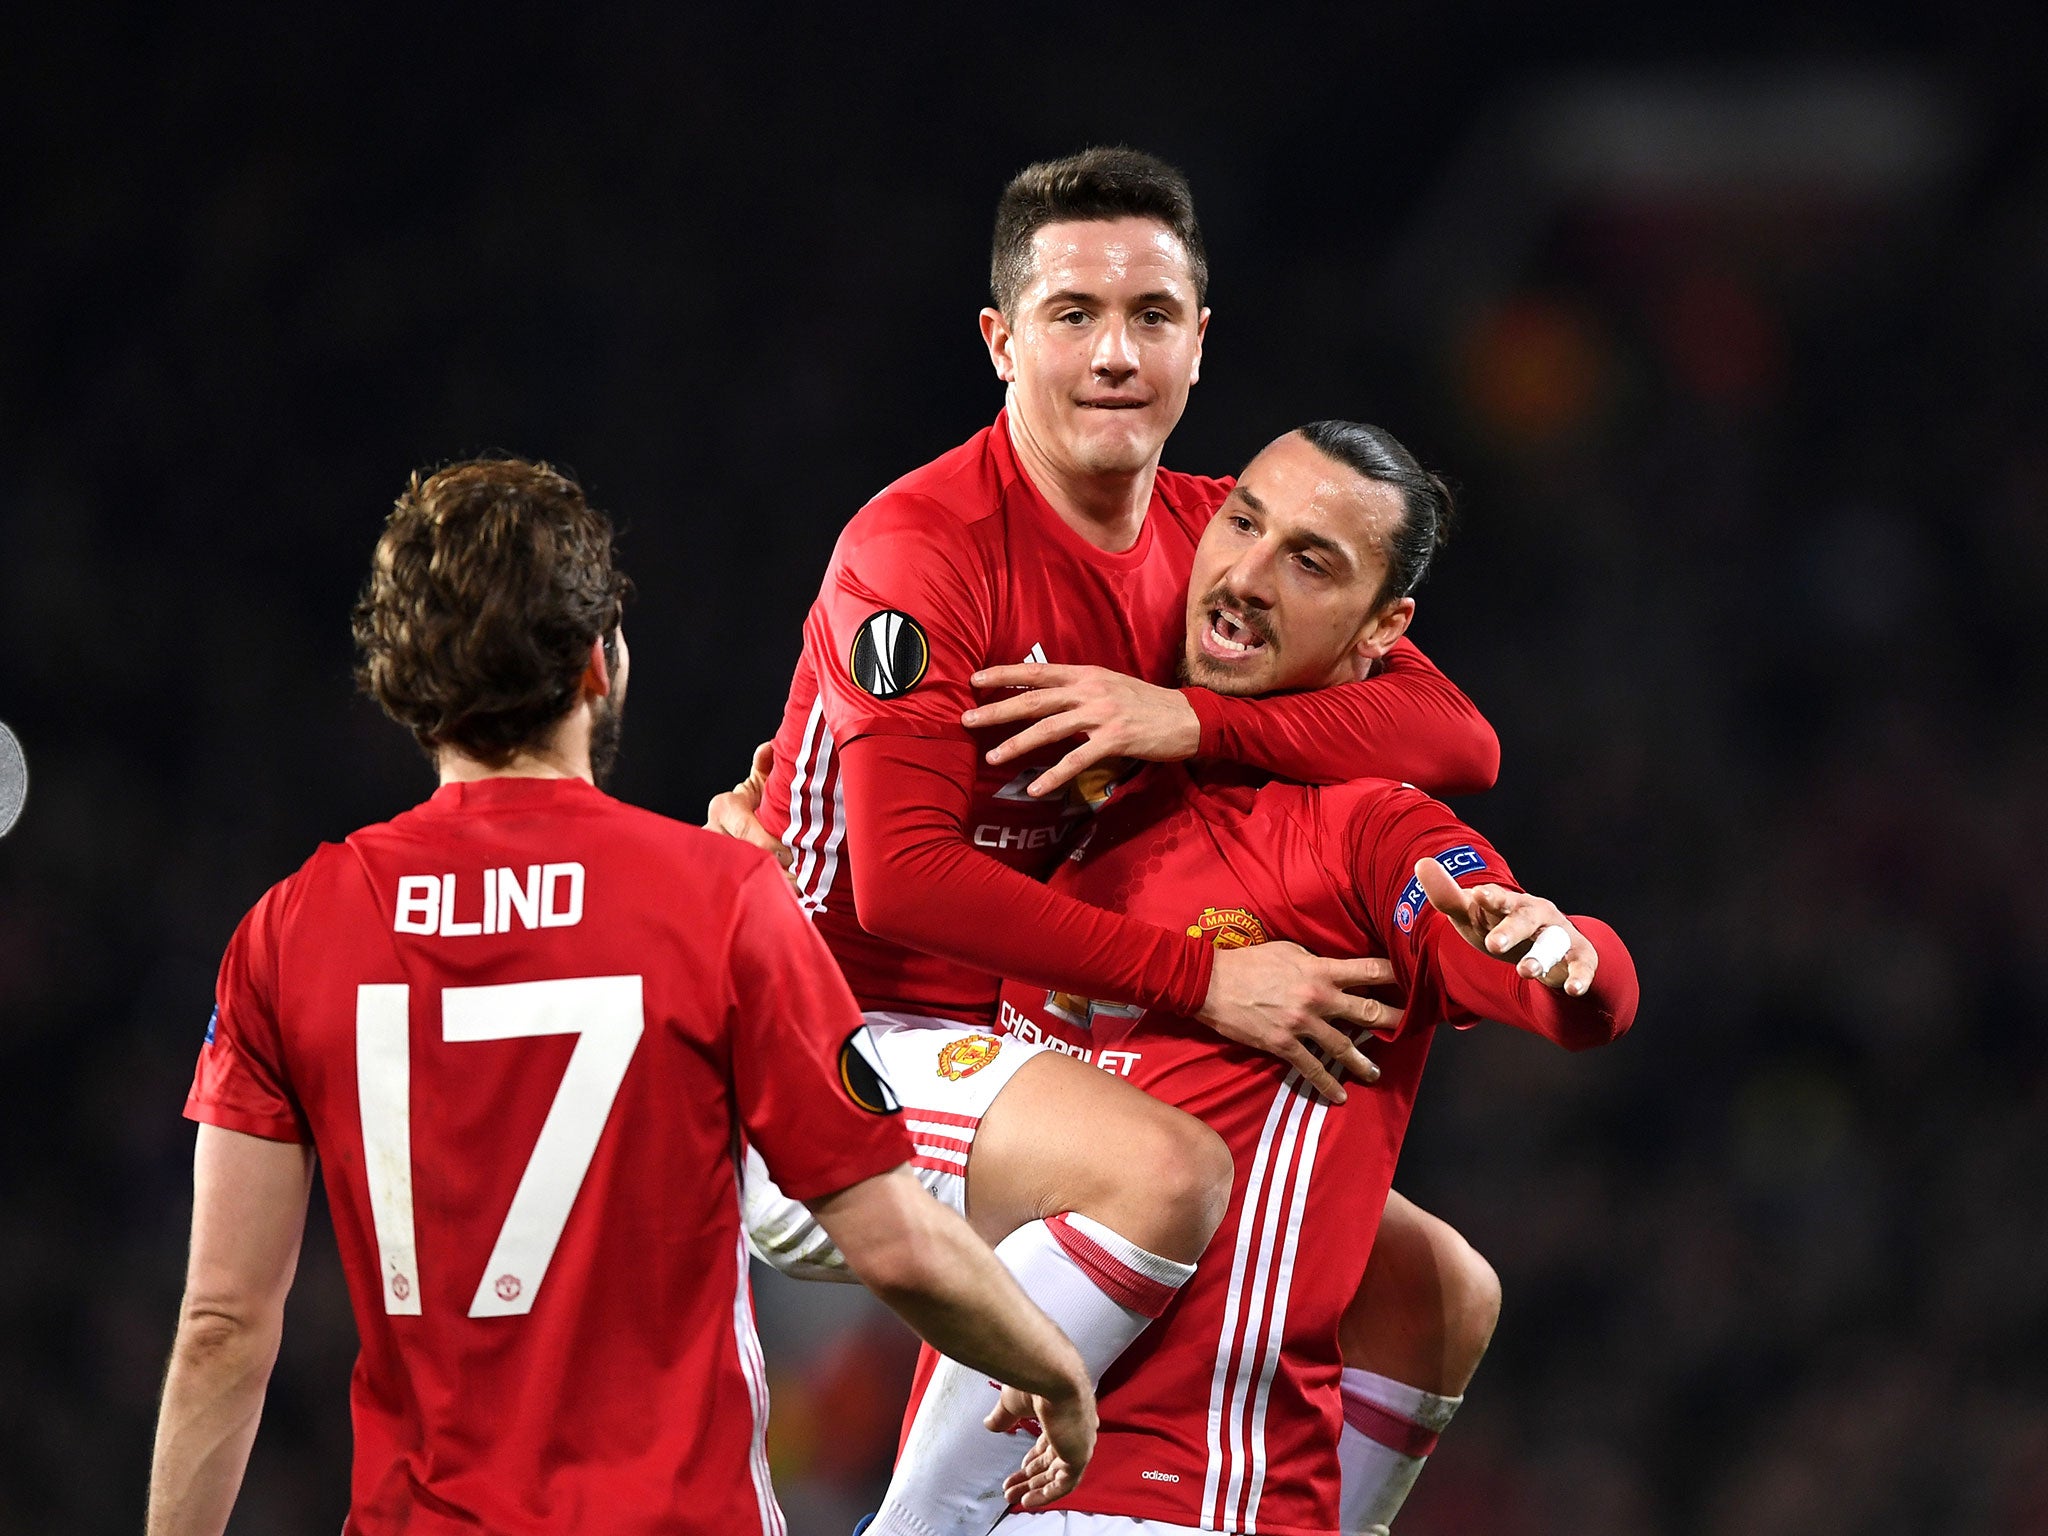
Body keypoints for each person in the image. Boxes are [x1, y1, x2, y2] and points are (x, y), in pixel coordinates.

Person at [714, 148, 1502, 1535]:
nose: (1115, 355)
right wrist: (1202, 983)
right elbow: (904, 880)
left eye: (1151, 316)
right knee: (1162, 1172)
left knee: (1432, 1292)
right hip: (835, 1059)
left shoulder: (1218, 538)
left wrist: (1192, 723)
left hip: (1044, 1066)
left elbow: (1458, 741)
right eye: (1073, 315)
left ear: (1201, 342)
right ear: (1000, 339)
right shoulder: (923, 552)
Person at [145, 459, 1098, 1536]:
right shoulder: (717, 900)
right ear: (600, 663)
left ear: (406, 684)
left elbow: (225, 1323)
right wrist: (1052, 1365)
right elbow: (892, 1240)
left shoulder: (290, 930)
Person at [987, 420, 1641, 1536]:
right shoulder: (1085, 788)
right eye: (1241, 522)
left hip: (1186, 1499)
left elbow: (1541, 978)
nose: (1244, 576)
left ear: (1386, 631)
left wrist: (1558, 950)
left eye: (1309, 560)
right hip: (985, 1478)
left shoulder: (1366, 829)